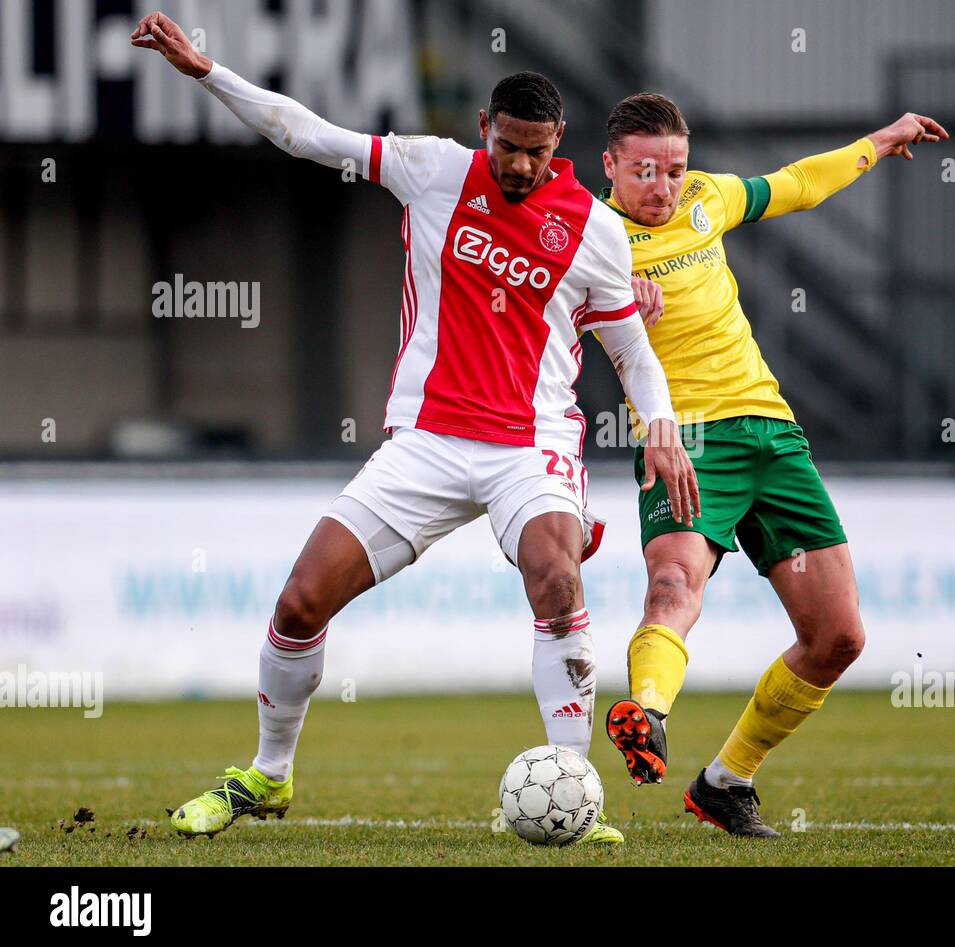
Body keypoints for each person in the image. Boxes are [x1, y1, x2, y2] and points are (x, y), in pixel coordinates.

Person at [131, 11, 698, 845]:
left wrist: (661, 425)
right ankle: (268, 776)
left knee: (554, 570)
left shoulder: (596, 229)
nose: (521, 165)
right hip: (427, 443)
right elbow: (308, 135)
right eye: (509, 146)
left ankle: (575, 793)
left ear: (560, 142)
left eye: (539, 151)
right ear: (484, 130)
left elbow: (630, 348)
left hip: (528, 443)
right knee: (299, 602)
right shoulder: (433, 171)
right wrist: (210, 73)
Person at [598, 92, 947, 836]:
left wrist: (880, 139)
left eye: (673, 169)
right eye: (643, 172)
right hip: (684, 438)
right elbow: (539, 328)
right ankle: (648, 714)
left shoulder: (706, 199)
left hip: (772, 432)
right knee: (672, 583)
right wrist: (605, 306)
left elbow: (797, 183)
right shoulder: (588, 239)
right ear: (611, 167)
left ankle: (726, 782)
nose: (661, 187)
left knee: (839, 638)